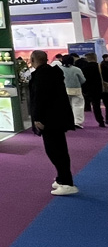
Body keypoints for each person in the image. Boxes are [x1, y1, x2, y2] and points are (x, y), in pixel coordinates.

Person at [27, 50, 77, 195]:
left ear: (33, 60)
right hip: (56, 117)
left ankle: (67, 182)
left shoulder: (42, 75)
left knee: (55, 151)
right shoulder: (51, 72)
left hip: (50, 119)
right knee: (58, 149)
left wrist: (38, 118)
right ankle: (62, 178)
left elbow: (40, 98)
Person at [78, 53, 105, 127]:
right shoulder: (101, 66)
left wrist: (84, 90)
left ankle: (100, 121)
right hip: (103, 88)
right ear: (95, 58)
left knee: (96, 106)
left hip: (92, 90)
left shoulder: (84, 68)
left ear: (87, 59)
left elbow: (83, 81)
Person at [59, 55, 86, 128]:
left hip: (63, 90)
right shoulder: (77, 69)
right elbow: (83, 80)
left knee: (65, 106)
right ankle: (77, 122)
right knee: (78, 106)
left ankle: (66, 121)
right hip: (76, 90)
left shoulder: (59, 69)